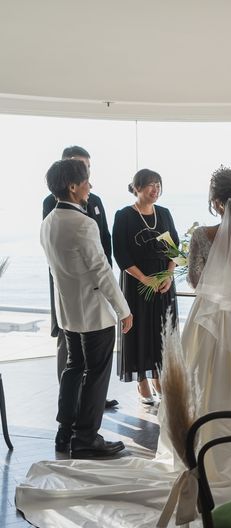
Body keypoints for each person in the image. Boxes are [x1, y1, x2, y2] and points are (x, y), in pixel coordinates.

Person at [16, 166, 231, 528]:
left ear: (215, 201)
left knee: (206, 389)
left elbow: (195, 279)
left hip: (211, 323)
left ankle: (206, 456)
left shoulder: (204, 236)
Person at [40, 159, 132, 457]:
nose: (90, 186)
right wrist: (124, 309)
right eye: (86, 182)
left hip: (68, 312)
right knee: (96, 374)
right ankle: (86, 438)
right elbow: (102, 271)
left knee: (73, 368)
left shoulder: (47, 223)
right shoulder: (83, 224)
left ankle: (64, 432)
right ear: (72, 187)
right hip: (93, 313)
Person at [42, 146, 118, 409]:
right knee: (75, 351)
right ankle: (76, 413)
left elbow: (104, 241)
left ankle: (85, 406)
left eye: (88, 167)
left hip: (91, 288)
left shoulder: (93, 201)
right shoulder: (54, 206)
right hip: (74, 289)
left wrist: (106, 276)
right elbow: (61, 250)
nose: (87, 174)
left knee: (84, 356)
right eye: (81, 167)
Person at [112, 169, 179, 405]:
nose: (155, 189)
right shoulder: (124, 216)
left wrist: (168, 276)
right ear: (137, 187)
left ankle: (159, 378)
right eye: (151, 184)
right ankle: (141, 381)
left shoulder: (164, 213)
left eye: (158, 185)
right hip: (137, 285)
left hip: (163, 284)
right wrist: (144, 279)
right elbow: (121, 254)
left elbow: (174, 249)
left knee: (162, 332)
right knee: (139, 331)